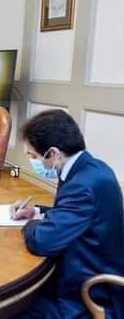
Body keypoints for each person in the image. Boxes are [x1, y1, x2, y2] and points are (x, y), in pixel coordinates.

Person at [11, 110, 124, 319]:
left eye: (34, 156)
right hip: (91, 272)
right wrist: (36, 211)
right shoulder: (92, 168)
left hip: (87, 296)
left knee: (12, 306)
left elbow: (43, 241)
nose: (33, 161)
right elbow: (76, 213)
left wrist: (29, 225)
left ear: (53, 153)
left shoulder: (82, 185)